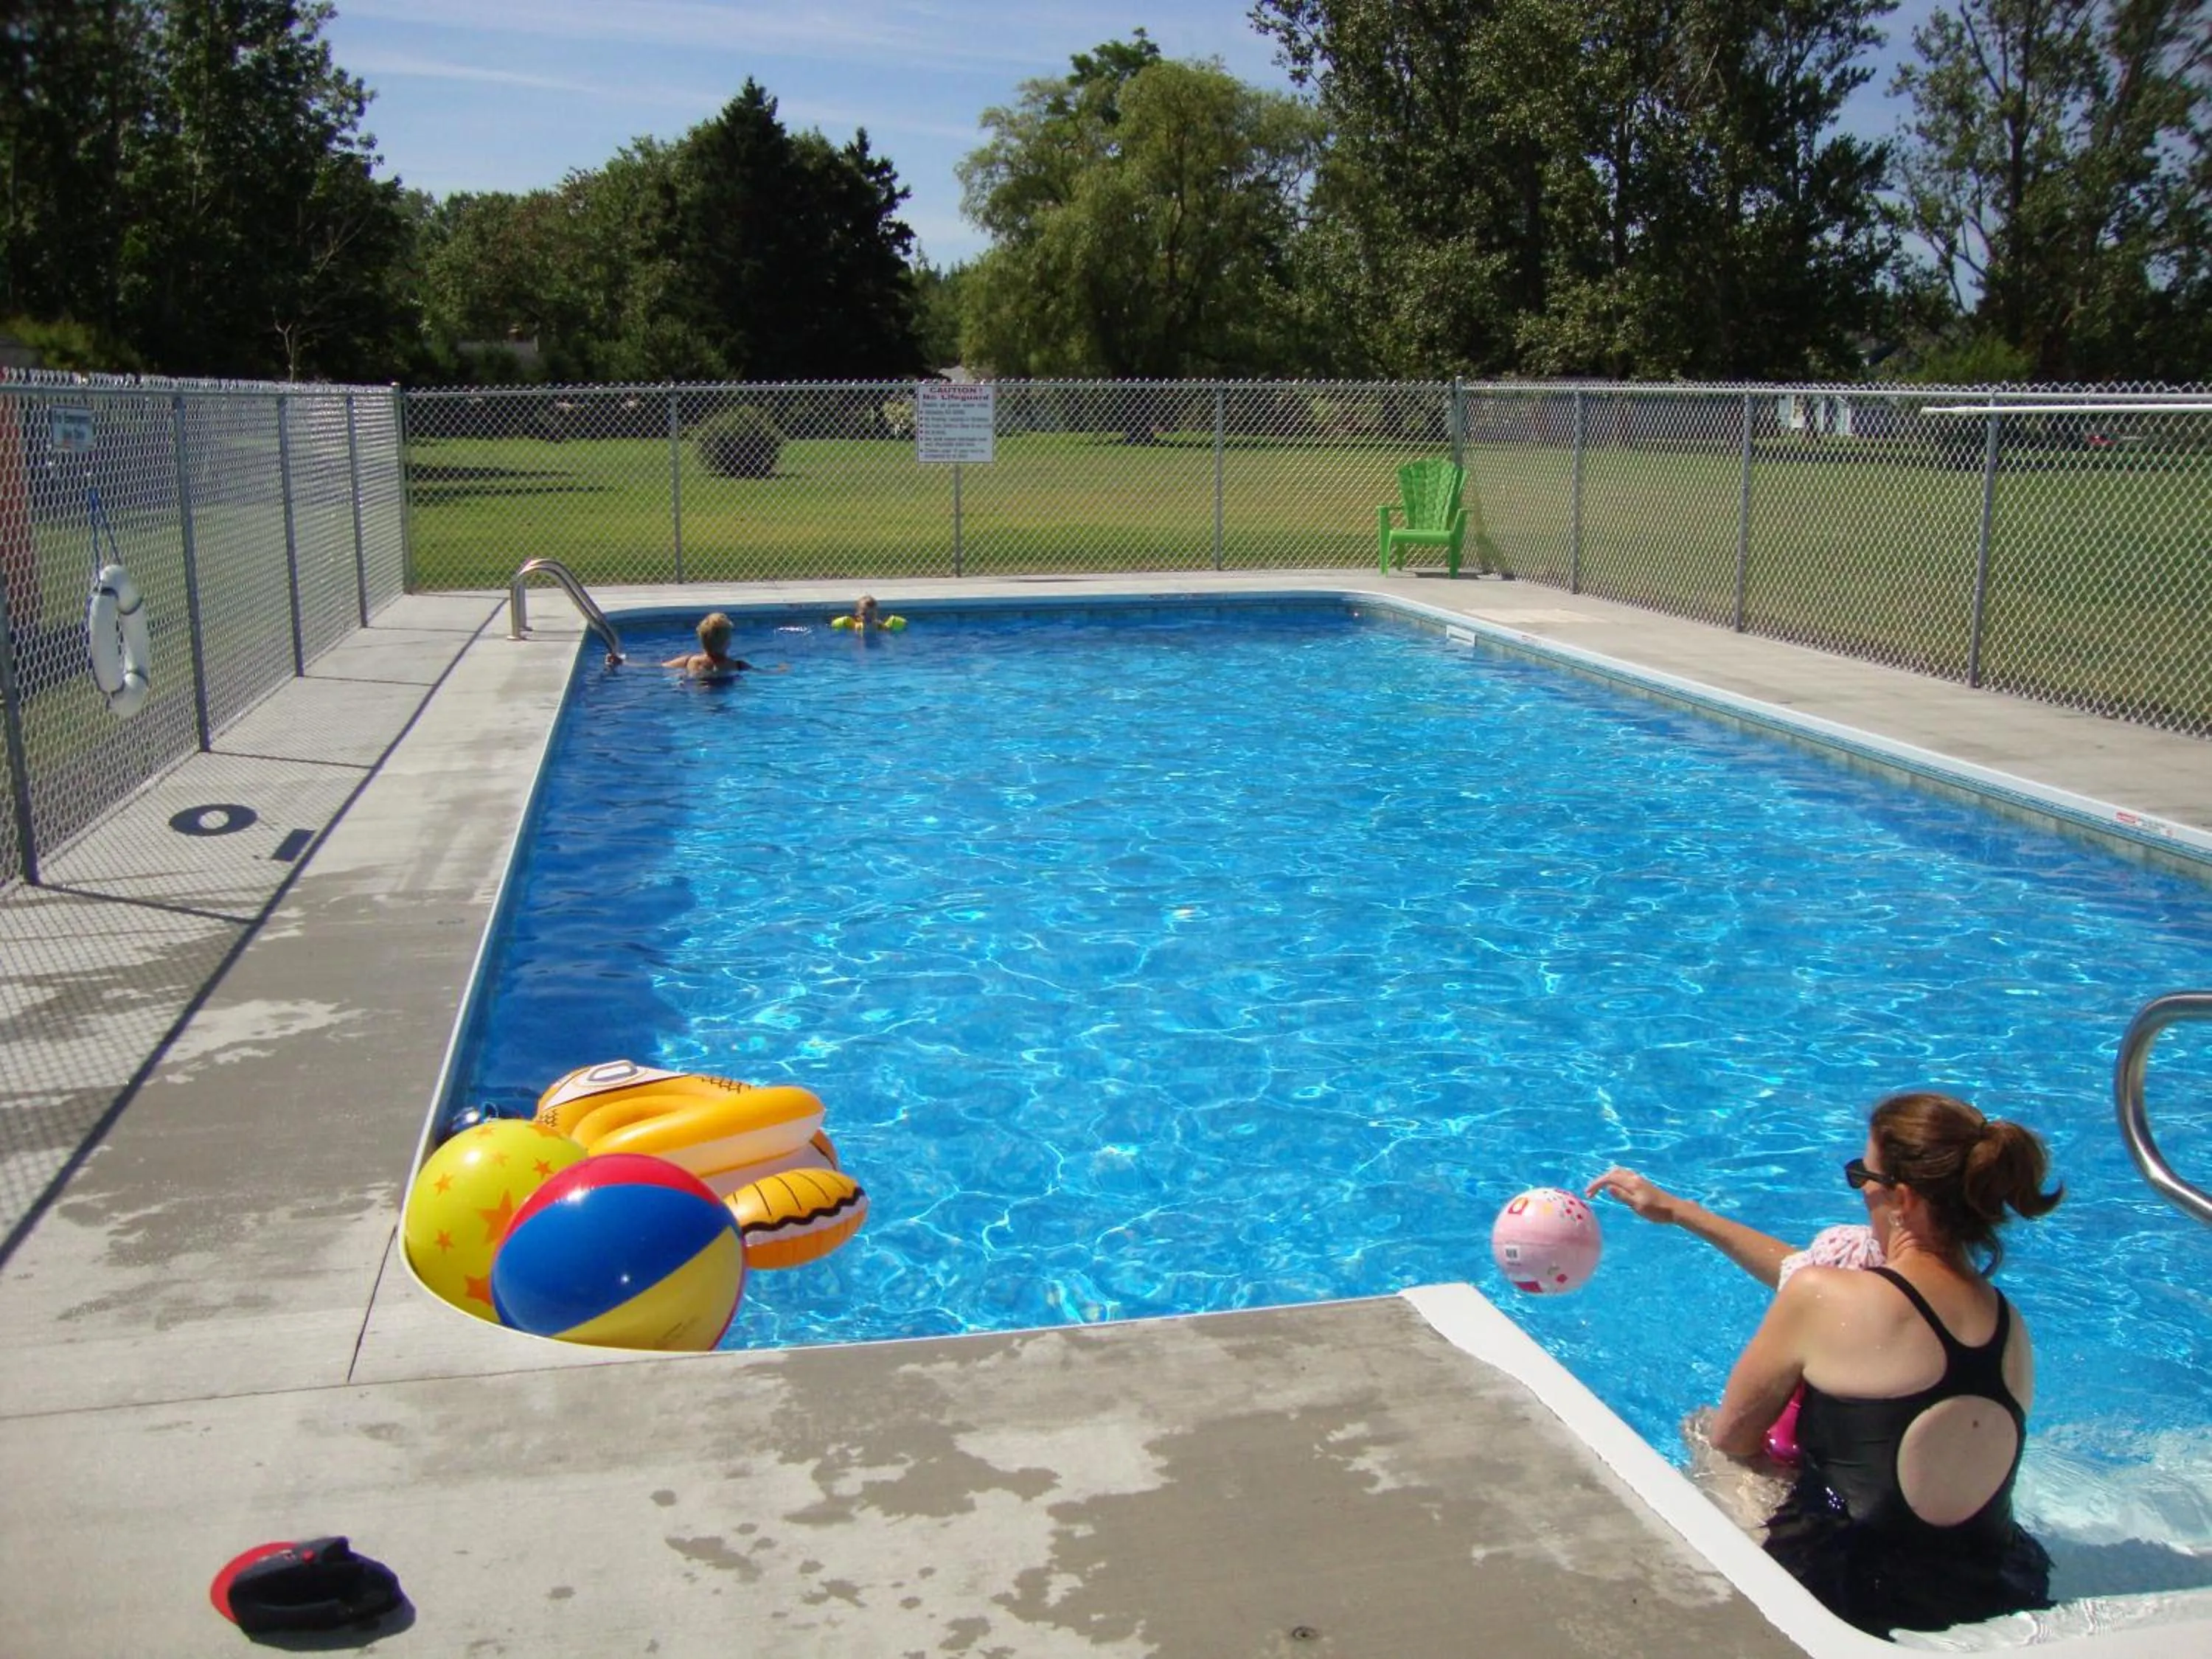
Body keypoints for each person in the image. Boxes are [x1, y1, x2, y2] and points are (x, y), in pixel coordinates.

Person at [1588, 1091, 2064, 1636]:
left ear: (1903, 1198)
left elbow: (1734, 1438)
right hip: (1995, 1588)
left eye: (1863, 1174)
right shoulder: (2010, 1326)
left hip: (1855, 1595)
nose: (1859, 1189)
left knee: (1701, 1431)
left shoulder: (1824, 1297)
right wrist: (1681, 1212)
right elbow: (1804, 1274)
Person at [662, 612, 756, 680]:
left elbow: (662, 666)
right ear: (728, 642)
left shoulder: (687, 661)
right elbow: (762, 673)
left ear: (701, 639)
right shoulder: (739, 666)